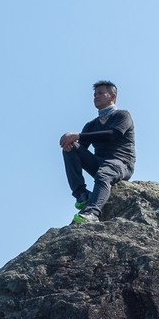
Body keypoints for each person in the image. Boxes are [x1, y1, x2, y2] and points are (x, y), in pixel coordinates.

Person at [59, 81, 136, 224]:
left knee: (103, 174)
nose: (96, 96)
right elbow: (80, 147)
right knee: (70, 148)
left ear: (112, 96)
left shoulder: (122, 115)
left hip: (121, 163)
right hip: (100, 163)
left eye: (100, 93)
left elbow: (112, 134)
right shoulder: (91, 125)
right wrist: (69, 143)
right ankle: (82, 195)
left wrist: (78, 136)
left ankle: (92, 213)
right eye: (94, 94)